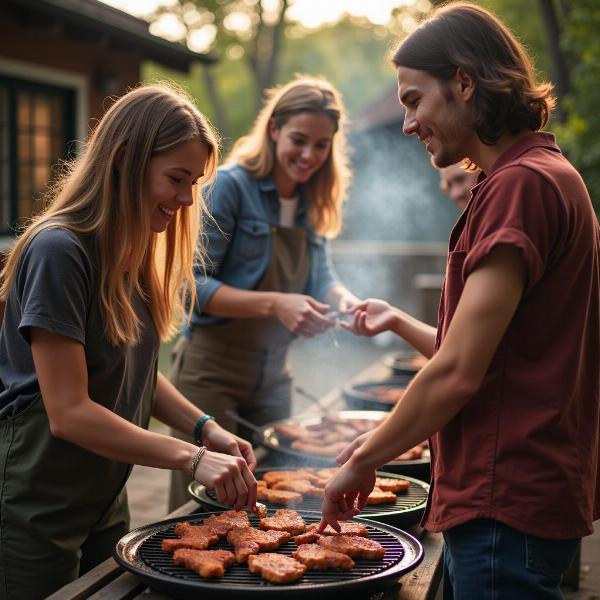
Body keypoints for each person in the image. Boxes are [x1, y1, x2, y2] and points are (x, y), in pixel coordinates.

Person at [319, 3, 599, 599]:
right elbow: (487, 352)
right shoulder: (546, 174)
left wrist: (365, 456)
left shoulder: (520, 186)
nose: (407, 123)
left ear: (465, 83)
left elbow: (457, 370)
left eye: (415, 100)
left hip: (505, 501)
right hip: (514, 497)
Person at [0, 84, 258, 600]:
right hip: (35, 496)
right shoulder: (60, 250)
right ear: (123, 161)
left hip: (103, 493)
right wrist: (191, 458)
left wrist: (207, 429)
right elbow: (68, 411)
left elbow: (137, 370)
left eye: (194, 183)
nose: (187, 200)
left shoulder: (133, 247)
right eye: (176, 179)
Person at [168, 76, 359, 511]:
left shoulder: (314, 197)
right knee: (203, 506)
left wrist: (345, 300)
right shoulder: (229, 186)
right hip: (211, 372)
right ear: (273, 129)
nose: (309, 155)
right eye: (299, 139)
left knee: (277, 494)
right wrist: (276, 304)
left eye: (321, 144)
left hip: (275, 375)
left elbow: (321, 275)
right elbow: (189, 285)